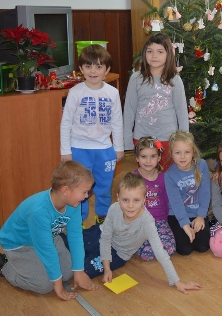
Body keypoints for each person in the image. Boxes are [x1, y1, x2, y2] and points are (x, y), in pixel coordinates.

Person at [76, 173, 202, 294]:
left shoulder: (147, 221)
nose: (130, 206)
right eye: (125, 200)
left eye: (136, 200)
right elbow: (106, 238)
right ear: (118, 198)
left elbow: (160, 252)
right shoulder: (114, 208)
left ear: (144, 200)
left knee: (84, 270)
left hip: (119, 254)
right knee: (72, 244)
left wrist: (177, 282)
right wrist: (107, 267)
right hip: (99, 234)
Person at [0, 161, 98, 300]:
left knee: (68, 272)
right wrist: (58, 286)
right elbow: (46, 250)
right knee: (45, 286)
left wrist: (79, 271)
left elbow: (76, 236)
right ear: (66, 190)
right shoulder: (38, 211)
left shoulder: (74, 204)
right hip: (20, 245)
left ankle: (33, 266)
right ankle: (5, 265)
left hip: (49, 236)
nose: (87, 196)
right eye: (84, 192)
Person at [60, 44, 123, 223]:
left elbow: (117, 122)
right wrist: (65, 150)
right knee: (79, 186)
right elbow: (66, 123)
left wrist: (118, 147)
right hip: (79, 148)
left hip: (105, 149)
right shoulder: (75, 92)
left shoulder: (112, 93)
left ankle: (102, 216)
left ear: (107, 70)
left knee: (104, 186)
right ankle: (78, 219)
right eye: (88, 66)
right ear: (81, 69)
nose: (93, 71)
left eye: (98, 66)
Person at [124, 33, 189, 171]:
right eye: (150, 51)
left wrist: (184, 140)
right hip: (142, 138)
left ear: (168, 54)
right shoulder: (136, 79)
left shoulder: (175, 79)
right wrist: (127, 139)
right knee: (146, 175)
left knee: (167, 175)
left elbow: (182, 111)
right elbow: (129, 110)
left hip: (168, 138)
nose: (154, 56)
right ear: (144, 53)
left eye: (160, 52)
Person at [165, 131, 211, 256]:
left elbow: (205, 192)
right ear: (171, 154)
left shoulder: (202, 165)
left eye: (187, 152)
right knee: (185, 250)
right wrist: (185, 225)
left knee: (202, 246)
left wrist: (201, 216)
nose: (182, 157)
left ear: (193, 152)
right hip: (177, 214)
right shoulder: (169, 175)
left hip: (197, 213)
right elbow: (176, 203)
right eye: (177, 153)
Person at [132, 137, 176, 260]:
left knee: (170, 248)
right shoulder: (133, 178)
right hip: (139, 222)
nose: (148, 161)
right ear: (137, 158)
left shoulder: (164, 177)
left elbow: (168, 201)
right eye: (143, 156)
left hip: (160, 221)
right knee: (147, 253)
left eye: (153, 156)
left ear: (159, 157)